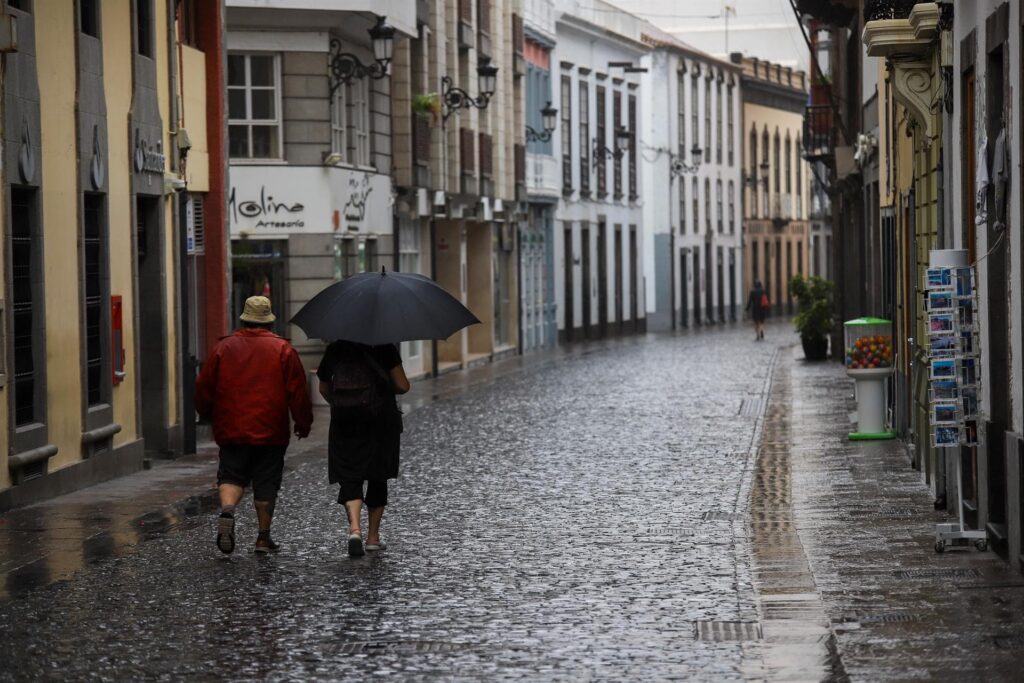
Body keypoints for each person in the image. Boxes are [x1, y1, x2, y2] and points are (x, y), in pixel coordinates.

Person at [195, 296, 313, 556]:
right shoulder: (283, 349)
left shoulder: (222, 348)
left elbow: (204, 387)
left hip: (231, 428)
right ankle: (262, 537)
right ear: (269, 321)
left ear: (243, 318)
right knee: (266, 481)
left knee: (231, 475)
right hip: (271, 430)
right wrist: (303, 423)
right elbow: (298, 391)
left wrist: (207, 414)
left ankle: (228, 511)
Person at [317, 340, 410, 558]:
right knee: (378, 476)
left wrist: (343, 403)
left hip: (345, 423)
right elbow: (403, 385)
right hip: (380, 422)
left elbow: (323, 387)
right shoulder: (385, 347)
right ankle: (373, 538)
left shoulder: (335, 348)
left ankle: (355, 531)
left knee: (350, 476)